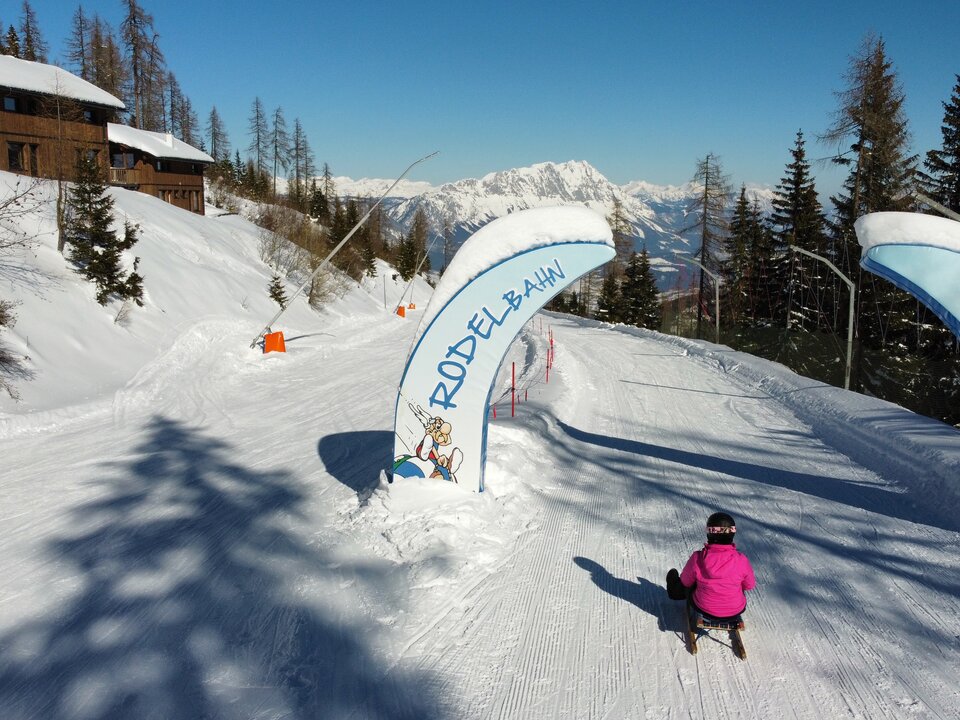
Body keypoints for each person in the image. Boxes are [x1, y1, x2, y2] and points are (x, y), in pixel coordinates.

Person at [666, 511, 756, 619]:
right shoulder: (742, 560)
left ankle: (673, 589)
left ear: (709, 533)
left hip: (703, 608)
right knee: (739, 583)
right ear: (732, 534)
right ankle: (729, 604)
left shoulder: (698, 558)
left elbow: (685, 582)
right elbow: (749, 585)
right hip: (736, 610)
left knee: (688, 584)